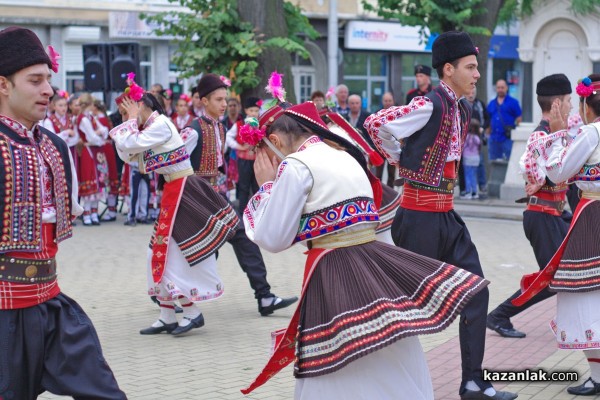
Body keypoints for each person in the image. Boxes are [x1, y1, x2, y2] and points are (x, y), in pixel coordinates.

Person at [239, 100, 488, 399]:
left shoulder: (297, 166)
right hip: (371, 261)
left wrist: (266, 187)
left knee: (337, 357)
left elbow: (272, 237)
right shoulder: (342, 152)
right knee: (388, 345)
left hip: (333, 270)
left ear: (275, 141)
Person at [365, 31, 518, 400]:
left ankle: (472, 381)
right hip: (417, 219)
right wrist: (400, 160)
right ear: (448, 70)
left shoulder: (462, 107)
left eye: (477, 67)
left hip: (447, 218)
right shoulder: (428, 104)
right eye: (470, 67)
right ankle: (380, 383)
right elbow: (376, 124)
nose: (477, 74)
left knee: (476, 292)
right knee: (405, 310)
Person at [0, 25, 126, 399]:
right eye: (35, 80)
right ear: (3, 85)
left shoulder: (53, 144)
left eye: (48, 80)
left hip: (50, 302)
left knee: (104, 392)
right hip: (4, 313)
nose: (48, 90)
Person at [111, 88, 239, 336]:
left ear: (142, 106)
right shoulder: (152, 127)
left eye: (129, 110)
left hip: (183, 189)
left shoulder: (160, 124)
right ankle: (167, 314)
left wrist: (129, 121)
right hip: (174, 191)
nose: (127, 116)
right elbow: (130, 154)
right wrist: (130, 122)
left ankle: (191, 311)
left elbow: (129, 143)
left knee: (170, 255)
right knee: (156, 253)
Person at [511, 73, 600, 396]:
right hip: (556, 214)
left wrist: (561, 136)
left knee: (580, 290)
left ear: (586, 105)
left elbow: (557, 171)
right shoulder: (566, 133)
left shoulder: (588, 133)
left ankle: (597, 375)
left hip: (589, 217)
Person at [182, 73, 298, 316]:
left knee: (240, 238)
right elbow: (175, 167)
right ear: (203, 101)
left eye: (225, 99)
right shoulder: (192, 131)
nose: (224, 104)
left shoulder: (221, 128)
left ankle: (264, 296)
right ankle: (173, 297)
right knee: (196, 248)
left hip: (216, 197)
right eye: (218, 99)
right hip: (197, 199)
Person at [487, 74, 573, 339]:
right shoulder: (542, 134)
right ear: (557, 103)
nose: (571, 105)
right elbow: (527, 165)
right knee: (551, 281)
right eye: (569, 100)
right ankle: (499, 316)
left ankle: (574, 326)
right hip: (541, 216)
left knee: (567, 274)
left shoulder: (557, 133)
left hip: (554, 214)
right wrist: (538, 180)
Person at [76, 93, 109, 226]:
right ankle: (87, 214)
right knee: (91, 180)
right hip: (89, 151)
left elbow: (105, 129)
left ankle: (94, 213)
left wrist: (99, 134)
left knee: (99, 181)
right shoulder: (83, 119)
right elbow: (91, 137)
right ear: (89, 105)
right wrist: (100, 137)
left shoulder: (91, 117)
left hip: (96, 151)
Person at [226, 96, 261, 211]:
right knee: (243, 187)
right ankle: (242, 212)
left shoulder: (261, 124)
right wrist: (239, 147)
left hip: (257, 160)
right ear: (246, 111)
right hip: (244, 161)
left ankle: (257, 212)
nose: (254, 113)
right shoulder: (239, 124)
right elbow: (228, 137)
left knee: (257, 187)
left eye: (256, 111)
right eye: (251, 110)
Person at [487, 79, 522, 161]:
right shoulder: (491, 103)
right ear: (496, 89)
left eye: (502, 87)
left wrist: (515, 131)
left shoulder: (513, 102)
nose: (500, 89)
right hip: (494, 139)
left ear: (506, 88)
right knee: (493, 163)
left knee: (509, 163)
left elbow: (519, 119)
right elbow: (488, 119)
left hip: (507, 139)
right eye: (498, 87)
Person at [466, 87, 490, 195]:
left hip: (478, 136)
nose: (471, 94)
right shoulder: (462, 104)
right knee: (466, 165)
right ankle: (467, 188)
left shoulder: (480, 105)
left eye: (472, 92)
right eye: (469, 92)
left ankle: (482, 184)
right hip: (465, 137)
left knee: (479, 162)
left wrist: (483, 128)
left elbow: (487, 118)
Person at [375, 92, 397, 187]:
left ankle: (391, 194)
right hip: (380, 147)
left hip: (392, 147)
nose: (388, 103)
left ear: (393, 101)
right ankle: (379, 192)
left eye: (389, 100)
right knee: (378, 174)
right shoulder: (377, 114)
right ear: (382, 101)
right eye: (386, 101)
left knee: (391, 174)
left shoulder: (397, 114)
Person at [462, 119, 482, 199]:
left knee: (467, 175)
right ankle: (474, 192)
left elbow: (463, 147)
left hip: (467, 157)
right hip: (476, 157)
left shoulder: (467, 137)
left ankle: (468, 192)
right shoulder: (477, 138)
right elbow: (479, 147)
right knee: (473, 175)